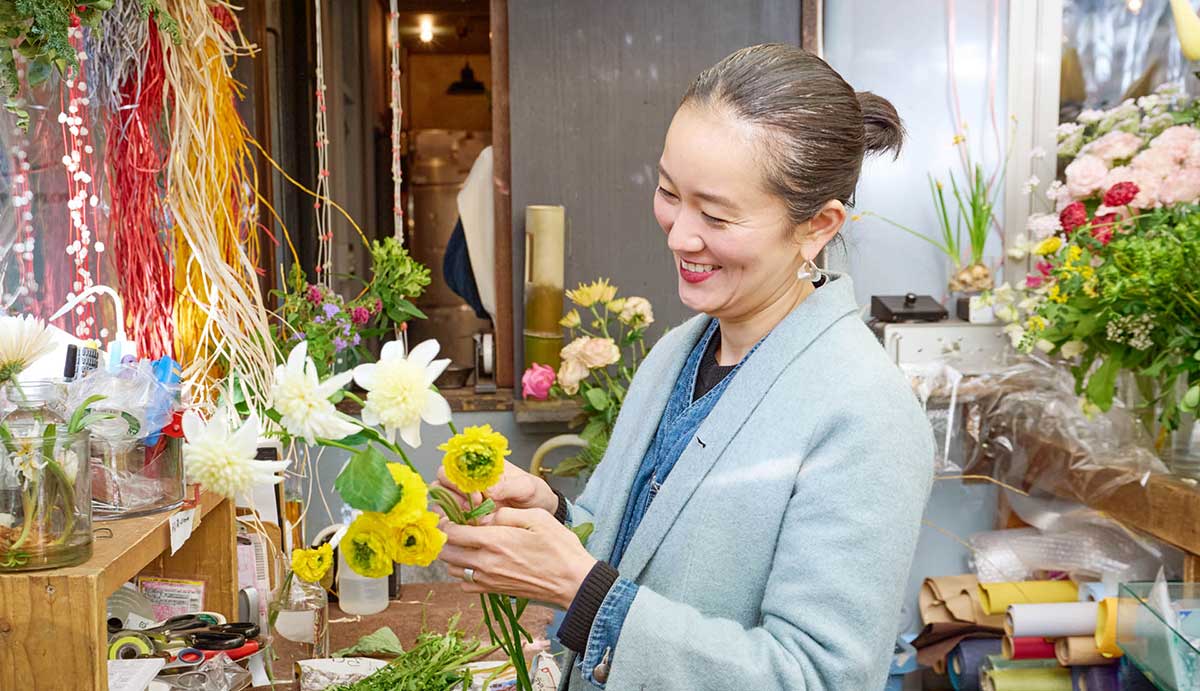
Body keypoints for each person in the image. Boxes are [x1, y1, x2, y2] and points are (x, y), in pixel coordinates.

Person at [433, 43, 935, 690]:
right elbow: (642, 550)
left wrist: (582, 593)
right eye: (669, 192)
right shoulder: (679, 351)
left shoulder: (866, 413)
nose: (678, 235)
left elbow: (816, 677)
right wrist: (552, 515)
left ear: (818, 225)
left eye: (717, 214)